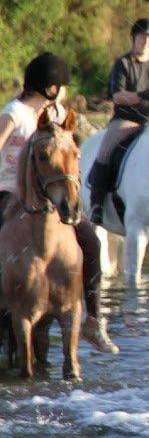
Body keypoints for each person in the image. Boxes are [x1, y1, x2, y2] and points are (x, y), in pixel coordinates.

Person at [0, 52, 118, 353]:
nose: (64, 92)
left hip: (50, 200)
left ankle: (92, 318)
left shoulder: (57, 115)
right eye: (61, 86)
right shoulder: (15, 112)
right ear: (50, 87)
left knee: (91, 241)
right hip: (10, 193)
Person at [89, 18, 149, 225]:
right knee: (105, 152)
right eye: (142, 37)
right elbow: (117, 96)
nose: (146, 42)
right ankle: (97, 204)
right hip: (126, 119)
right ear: (134, 39)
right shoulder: (123, 64)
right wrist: (141, 96)